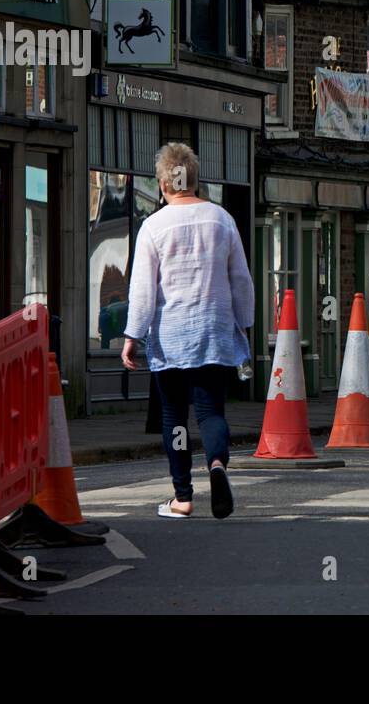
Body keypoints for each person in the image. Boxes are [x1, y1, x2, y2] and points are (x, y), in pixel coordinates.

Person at [122, 143, 254, 520]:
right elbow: (241, 280)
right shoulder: (221, 220)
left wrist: (133, 336)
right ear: (194, 181)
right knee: (211, 412)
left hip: (172, 339)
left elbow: (144, 290)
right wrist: (244, 327)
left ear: (164, 184)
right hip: (214, 333)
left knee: (174, 417)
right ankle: (217, 465)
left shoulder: (153, 227)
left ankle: (182, 497)